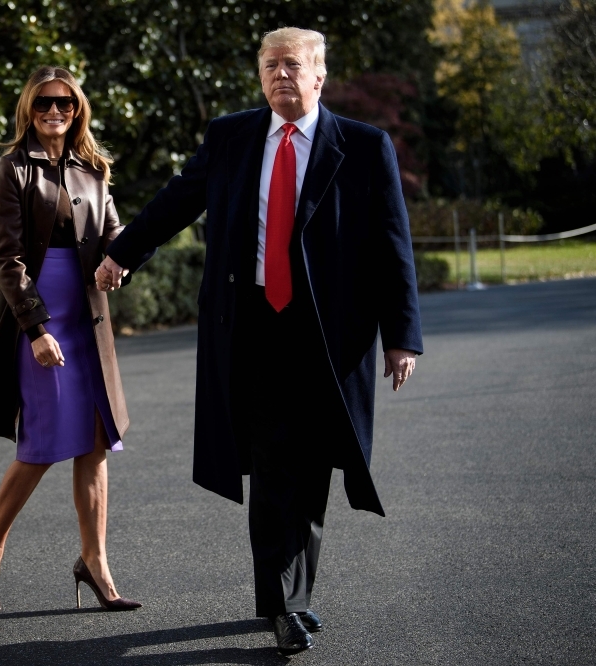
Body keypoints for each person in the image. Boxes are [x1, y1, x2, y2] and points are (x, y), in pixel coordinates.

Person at [96, 27, 423, 653]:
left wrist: (401, 335)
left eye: (293, 65)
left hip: (332, 336)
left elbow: (392, 244)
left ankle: (293, 596)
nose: (281, 76)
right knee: (275, 461)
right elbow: (177, 201)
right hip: (254, 326)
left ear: (319, 75)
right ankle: (282, 604)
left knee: (315, 466)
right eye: (270, 65)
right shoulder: (231, 137)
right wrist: (122, 253)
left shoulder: (361, 145)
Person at [0, 66, 142, 614]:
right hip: (39, 319)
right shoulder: (12, 168)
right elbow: (6, 258)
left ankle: (95, 562)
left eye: (65, 104)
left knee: (95, 443)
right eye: (44, 103)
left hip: (89, 319)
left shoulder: (93, 168)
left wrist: (122, 262)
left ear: (77, 109)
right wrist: (36, 328)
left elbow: (115, 234)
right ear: (29, 108)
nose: (54, 113)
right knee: (41, 446)